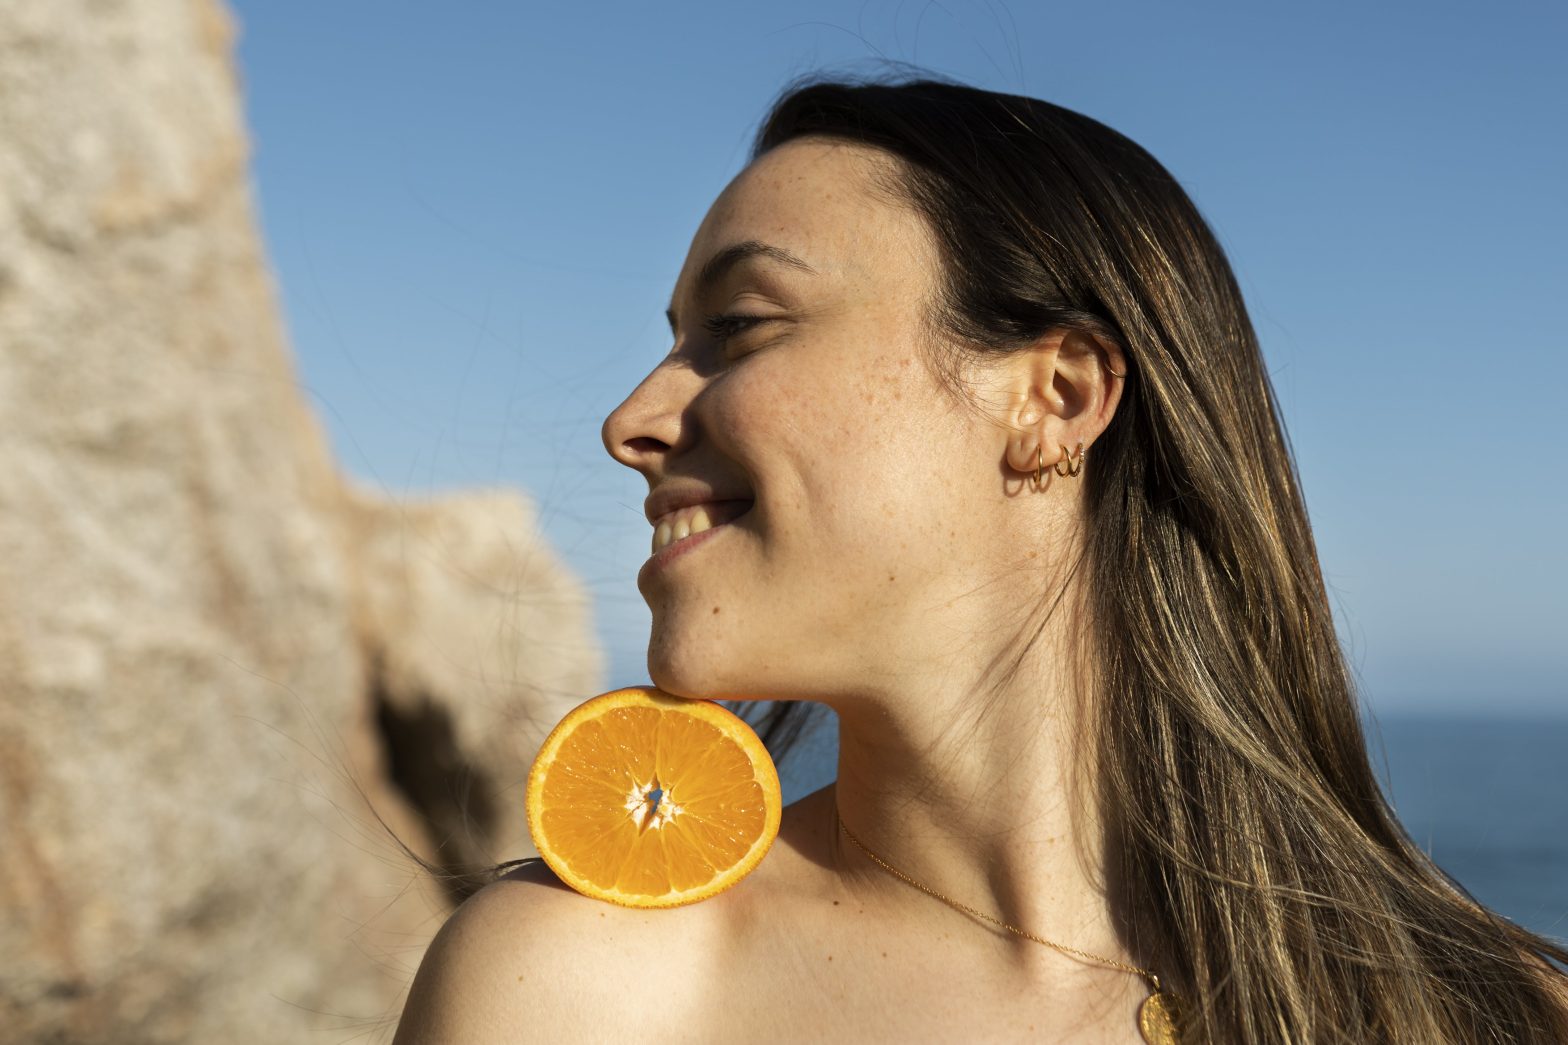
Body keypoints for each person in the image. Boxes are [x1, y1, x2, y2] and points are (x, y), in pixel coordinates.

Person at [390, 74, 1568, 1043]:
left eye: (739, 327)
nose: (631, 420)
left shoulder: (1487, 1012)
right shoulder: (580, 990)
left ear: (1052, 397)